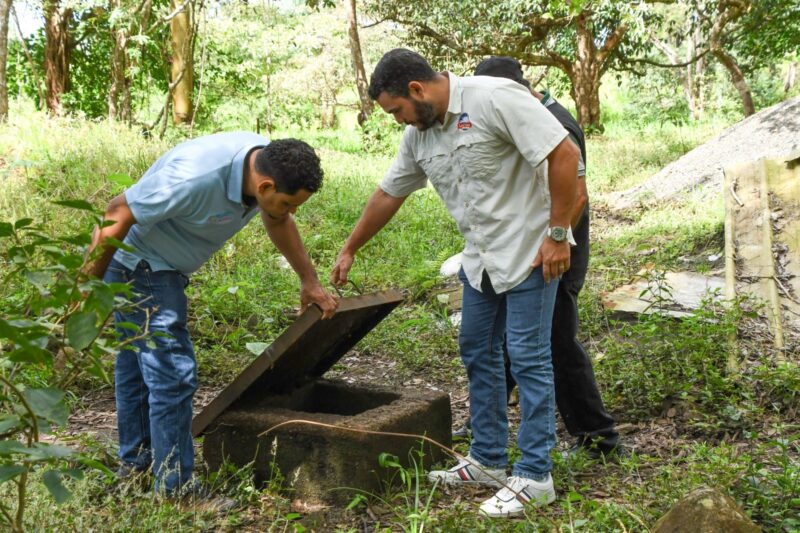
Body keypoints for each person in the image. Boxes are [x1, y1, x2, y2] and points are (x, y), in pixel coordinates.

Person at [330, 48, 580, 518]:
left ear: (417, 90)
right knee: (477, 349)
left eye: (397, 110)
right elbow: (389, 192)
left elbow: (563, 154)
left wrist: (557, 234)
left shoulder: (495, 98)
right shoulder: (418, 135)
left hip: (531, 251)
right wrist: (350, 247)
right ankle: (487, 461)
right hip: (481, 259)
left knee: (527, 356)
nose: (397, 120)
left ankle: (534, 475)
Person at [85, 132, 338, 502]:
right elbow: (117, 212)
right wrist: (85, 289)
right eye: (288, 202)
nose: (291, 211)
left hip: (161, 266)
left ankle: (137, 466)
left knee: (138, 367)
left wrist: (309, 281)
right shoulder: (196, 177)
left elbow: (278, 219)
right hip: (140, 263)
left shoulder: (265, 164)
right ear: (264, 186)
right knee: (172, 374)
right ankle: (176, 490)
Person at [455, 56, 621, 459]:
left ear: (512, 90)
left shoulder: (556, 122)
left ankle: (598, 438)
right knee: (510, 339)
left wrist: (554, 243)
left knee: (555, 343)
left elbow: (577, 196)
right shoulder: (518, 114)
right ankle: (483, 423)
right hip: (522, 250)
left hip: (556, 254)